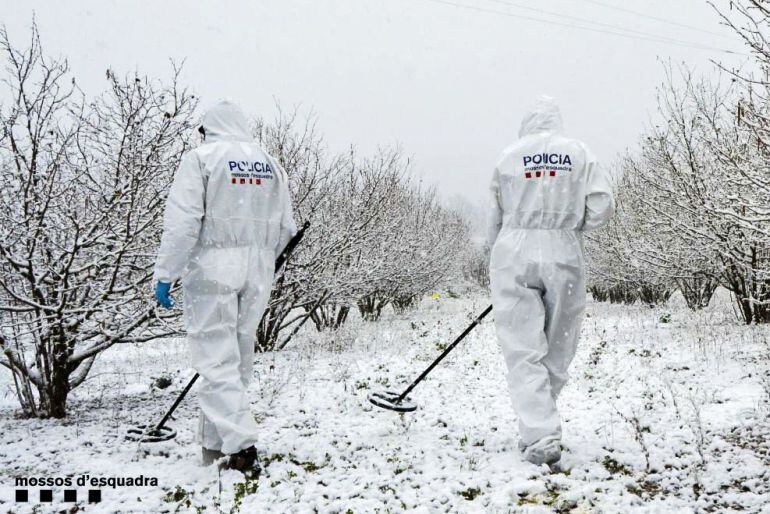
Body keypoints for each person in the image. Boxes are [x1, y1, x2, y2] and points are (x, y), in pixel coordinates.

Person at [153, 100, 297, 475]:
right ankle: (214, 447)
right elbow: (287, 226)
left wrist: (167, 272)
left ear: (208, 128)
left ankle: (240, 444)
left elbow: (183, 222)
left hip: (213, 265)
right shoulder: (269, 163)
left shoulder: (202, 158)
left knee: (216, 359)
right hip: (259, 268)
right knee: (236, 353)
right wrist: (264, 257)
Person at [486, 95, 614, 466]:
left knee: (522, 347)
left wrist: (502, 256)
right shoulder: (578, 152)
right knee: (559, 344)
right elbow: (602, 205)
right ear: (556, 121)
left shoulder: (509, 155)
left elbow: (493, 215)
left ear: (526, 123)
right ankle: (542, 424)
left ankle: (539, 428)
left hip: (514, 250)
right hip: (563, 249)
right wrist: (570, 225)